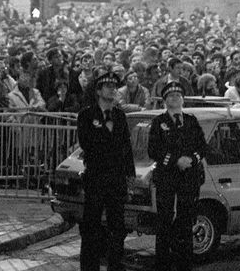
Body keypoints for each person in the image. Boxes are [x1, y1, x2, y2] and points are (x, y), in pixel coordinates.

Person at [76, 71, 135, 271]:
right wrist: (108, 143)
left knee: (117, 228)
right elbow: (88, 144)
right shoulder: (86, 115)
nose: (112, 89)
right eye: (108, 86)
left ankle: (115, 266)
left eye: (114, 86)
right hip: (96, 178)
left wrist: (130, 177)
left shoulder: (119, 116)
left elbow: (126, 147)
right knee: (91, 227)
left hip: (116, 180)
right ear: (98, 91)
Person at [147, 81, 207, 271]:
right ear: (165, 101)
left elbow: (202, 147)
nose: (175, 98)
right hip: (167, 176)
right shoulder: (159, 122)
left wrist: (192, 160)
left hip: (189, 177)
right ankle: (163, 263)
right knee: (164, 220)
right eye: (171, 96)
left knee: (186, 219)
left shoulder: (191, 120)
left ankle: (185, 262)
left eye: (178, 96)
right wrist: (175, 161)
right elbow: (154, 150)